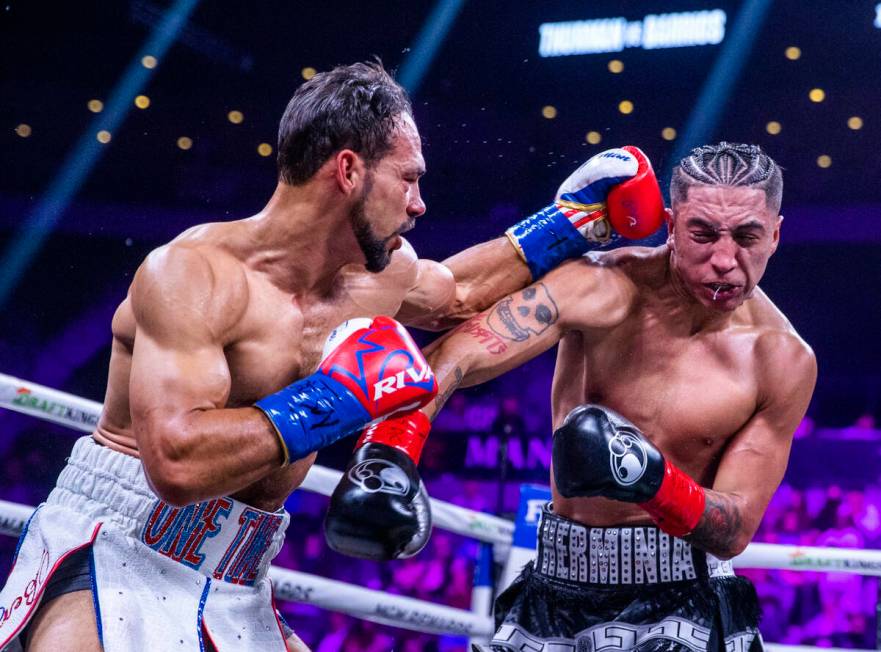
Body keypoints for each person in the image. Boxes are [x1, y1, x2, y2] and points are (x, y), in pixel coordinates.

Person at [0, 60, 664, 652]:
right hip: (119, 547)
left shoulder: (381, 273)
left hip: (238, 575)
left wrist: (575, 222)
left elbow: (458, 293)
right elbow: (174, 461)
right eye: (407, 180)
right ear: (347, 170)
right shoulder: (193, 275)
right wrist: (338, 397)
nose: (419, 202)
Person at [424, 142, 817, 651]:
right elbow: (461, 353)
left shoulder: (780, 358)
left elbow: (735, 528)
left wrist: (648, 479)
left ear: (776, 235)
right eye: (701, 234)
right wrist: (394, 441)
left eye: (747, 237)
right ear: (671, 226)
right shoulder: (604, 285)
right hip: (554, 583)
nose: (724, 260)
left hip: (684, 598)